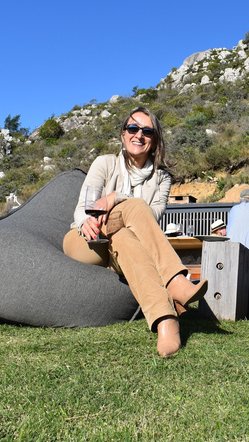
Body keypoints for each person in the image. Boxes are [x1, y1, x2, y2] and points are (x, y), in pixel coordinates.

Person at [62, 107, 208, 358]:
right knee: (134, 209)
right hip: (89, 240)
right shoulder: (105, 163)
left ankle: (165, 320)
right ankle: (175, 281)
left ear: (154, 141)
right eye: (133, 128)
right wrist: (97, 212)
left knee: (126, 235)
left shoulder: (161, 178)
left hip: (120, 246)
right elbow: (83, 209)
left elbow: (150, 218)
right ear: (122, 134)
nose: (139, 135)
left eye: (147, 131)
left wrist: (116, 198)